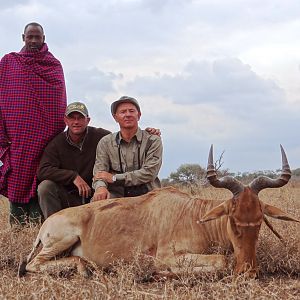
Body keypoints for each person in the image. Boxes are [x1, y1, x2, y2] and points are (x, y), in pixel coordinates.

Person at [0, 22, 66, 225]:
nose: (34, 41)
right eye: (30, 37)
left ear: (44, 39)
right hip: (16, 140)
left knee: (40, 181)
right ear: (23, 37)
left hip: (44, 140)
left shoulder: (53, 66)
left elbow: (58, 102)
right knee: (18, 181)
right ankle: (18, 230)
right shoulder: (9, 62)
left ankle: (39, 230)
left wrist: (50, 134)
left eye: (38, 37)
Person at [37, 102, 110, 219]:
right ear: (65, 120)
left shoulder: (101, 136)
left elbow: (123, 138)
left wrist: (147, 133)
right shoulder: (57, 143)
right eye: (72, 118)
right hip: (69, 198)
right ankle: (55, 229)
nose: (76, 122)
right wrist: (73, 176)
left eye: (80, 117)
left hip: (97, 196)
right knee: (45, 187)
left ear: (88, 120)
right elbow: (43, 171)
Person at [92, 96, 162, 200]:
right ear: (115, 117)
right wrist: (100, 187)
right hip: (117, 195)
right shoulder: (105, 142)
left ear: (139, 115)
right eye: (123, 112)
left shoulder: (153, 140)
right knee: (97, 201)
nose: (128, 114)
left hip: (148, 195)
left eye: (131, 111)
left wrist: (115, 178)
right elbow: (99, 173)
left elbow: (149, 173)